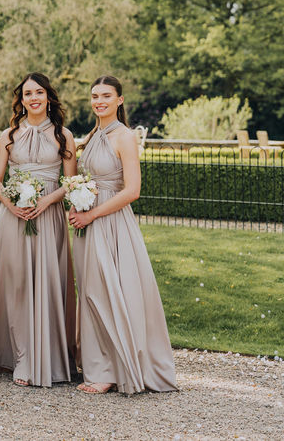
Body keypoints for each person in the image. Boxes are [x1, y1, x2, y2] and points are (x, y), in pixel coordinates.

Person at [70, 76, 177, 395]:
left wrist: (91, 213)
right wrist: (77, 203)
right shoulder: (92, 135)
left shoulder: (125, 136)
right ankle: (100, 363)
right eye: (94, 96)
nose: (99, 101)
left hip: (112, 224)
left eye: (106, 96)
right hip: (87, 224)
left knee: (108, 292)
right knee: (90, 293)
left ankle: (114, 369)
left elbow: (132, 190)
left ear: (119, 100)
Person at [0, 72, 77, 387]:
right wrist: (11, 205)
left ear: (48, 96)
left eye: (38, 92)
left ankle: (47, 356)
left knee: (48, 282)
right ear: (21, 100)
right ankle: (21, 356)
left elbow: (70, 182)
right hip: (14, 217)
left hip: (48, 217)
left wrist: (47, 201)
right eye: (27, 94)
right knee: (18, 283)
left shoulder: (64, 135)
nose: (33, 98)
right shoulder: (8, 135)